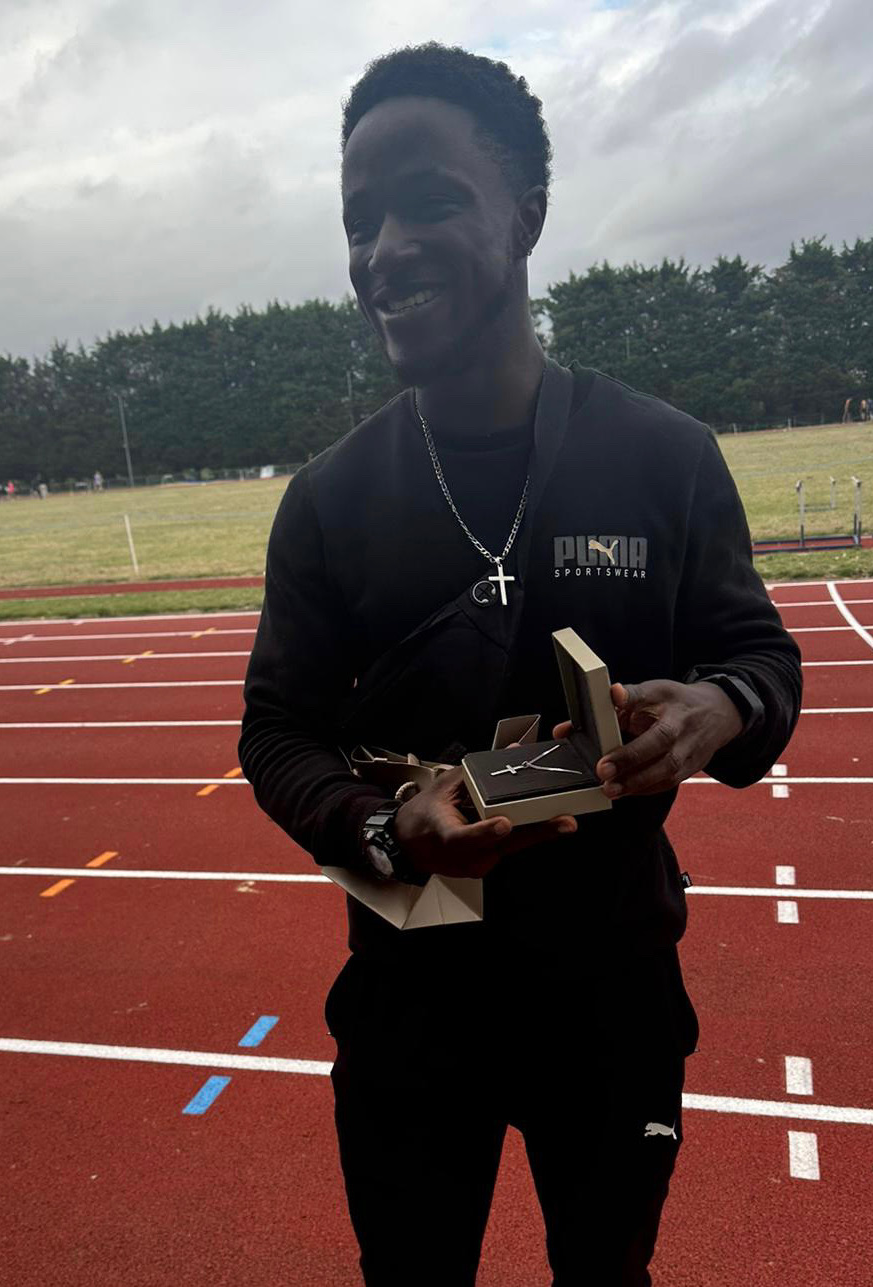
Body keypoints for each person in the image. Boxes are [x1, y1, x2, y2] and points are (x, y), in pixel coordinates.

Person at [239, 43, 802, 1287]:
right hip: (408, 999)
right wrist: (383, 824)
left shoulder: (663, 457)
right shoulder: (328, 500)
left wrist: (718, 709)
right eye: (360, 221)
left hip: (610, 997)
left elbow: (760, 656)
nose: (385, 250)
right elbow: (275, 731)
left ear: (526, 217)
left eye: (429, 203)